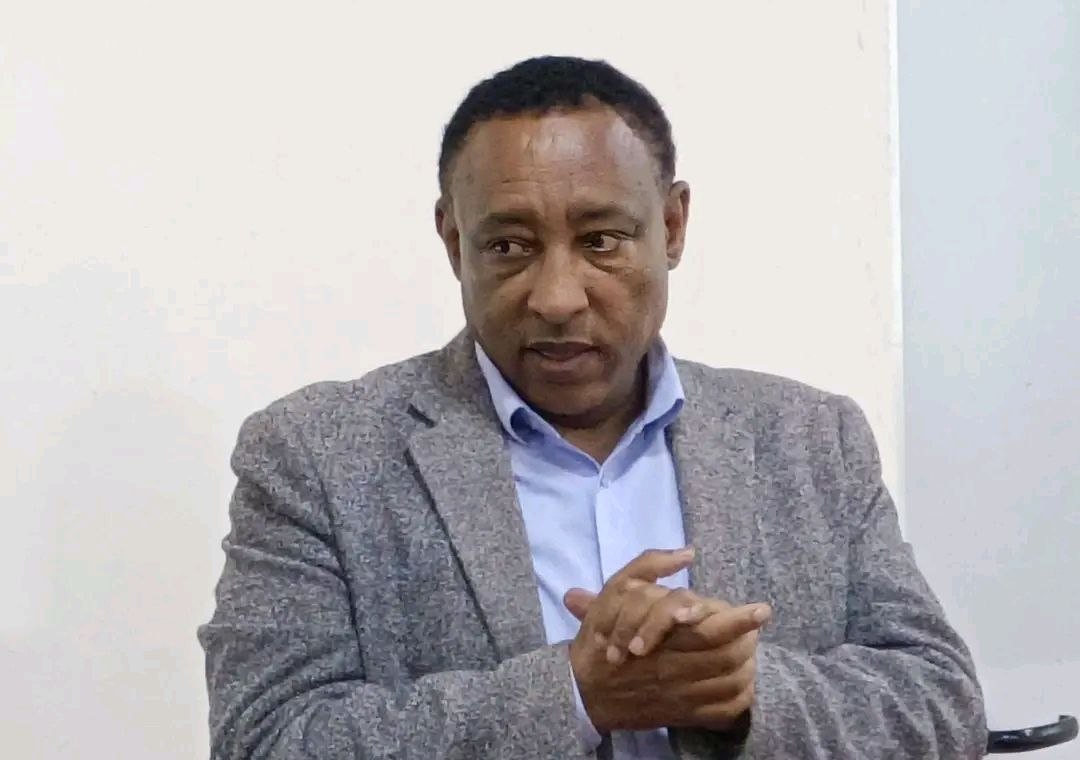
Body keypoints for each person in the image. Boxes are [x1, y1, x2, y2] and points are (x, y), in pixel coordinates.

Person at [199, 56, 987, 759]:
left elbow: (942, 705)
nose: (557, 297)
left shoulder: (812, 438)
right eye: (509, 247)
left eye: (602, 240)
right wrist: (573, 696)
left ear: (671, 226)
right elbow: (265, 739)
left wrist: (743, 690)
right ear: (452, 241)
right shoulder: (317, 457)